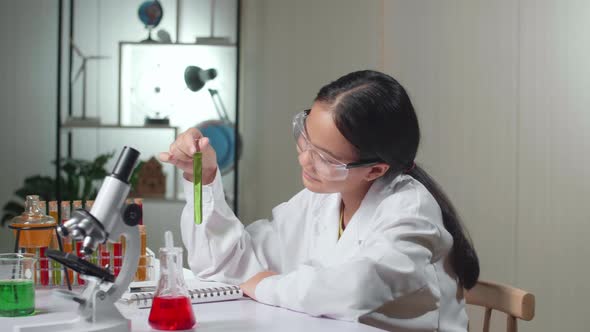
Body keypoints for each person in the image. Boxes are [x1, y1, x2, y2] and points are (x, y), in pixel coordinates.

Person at [159, 70, 479, 331]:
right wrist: (204, 176)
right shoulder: (323, 200)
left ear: (375, 169)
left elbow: (356, 289)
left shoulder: (410, 210)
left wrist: (269, 286)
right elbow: (229, 263)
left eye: (324, 157)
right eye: (305, 139)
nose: (305, 161)